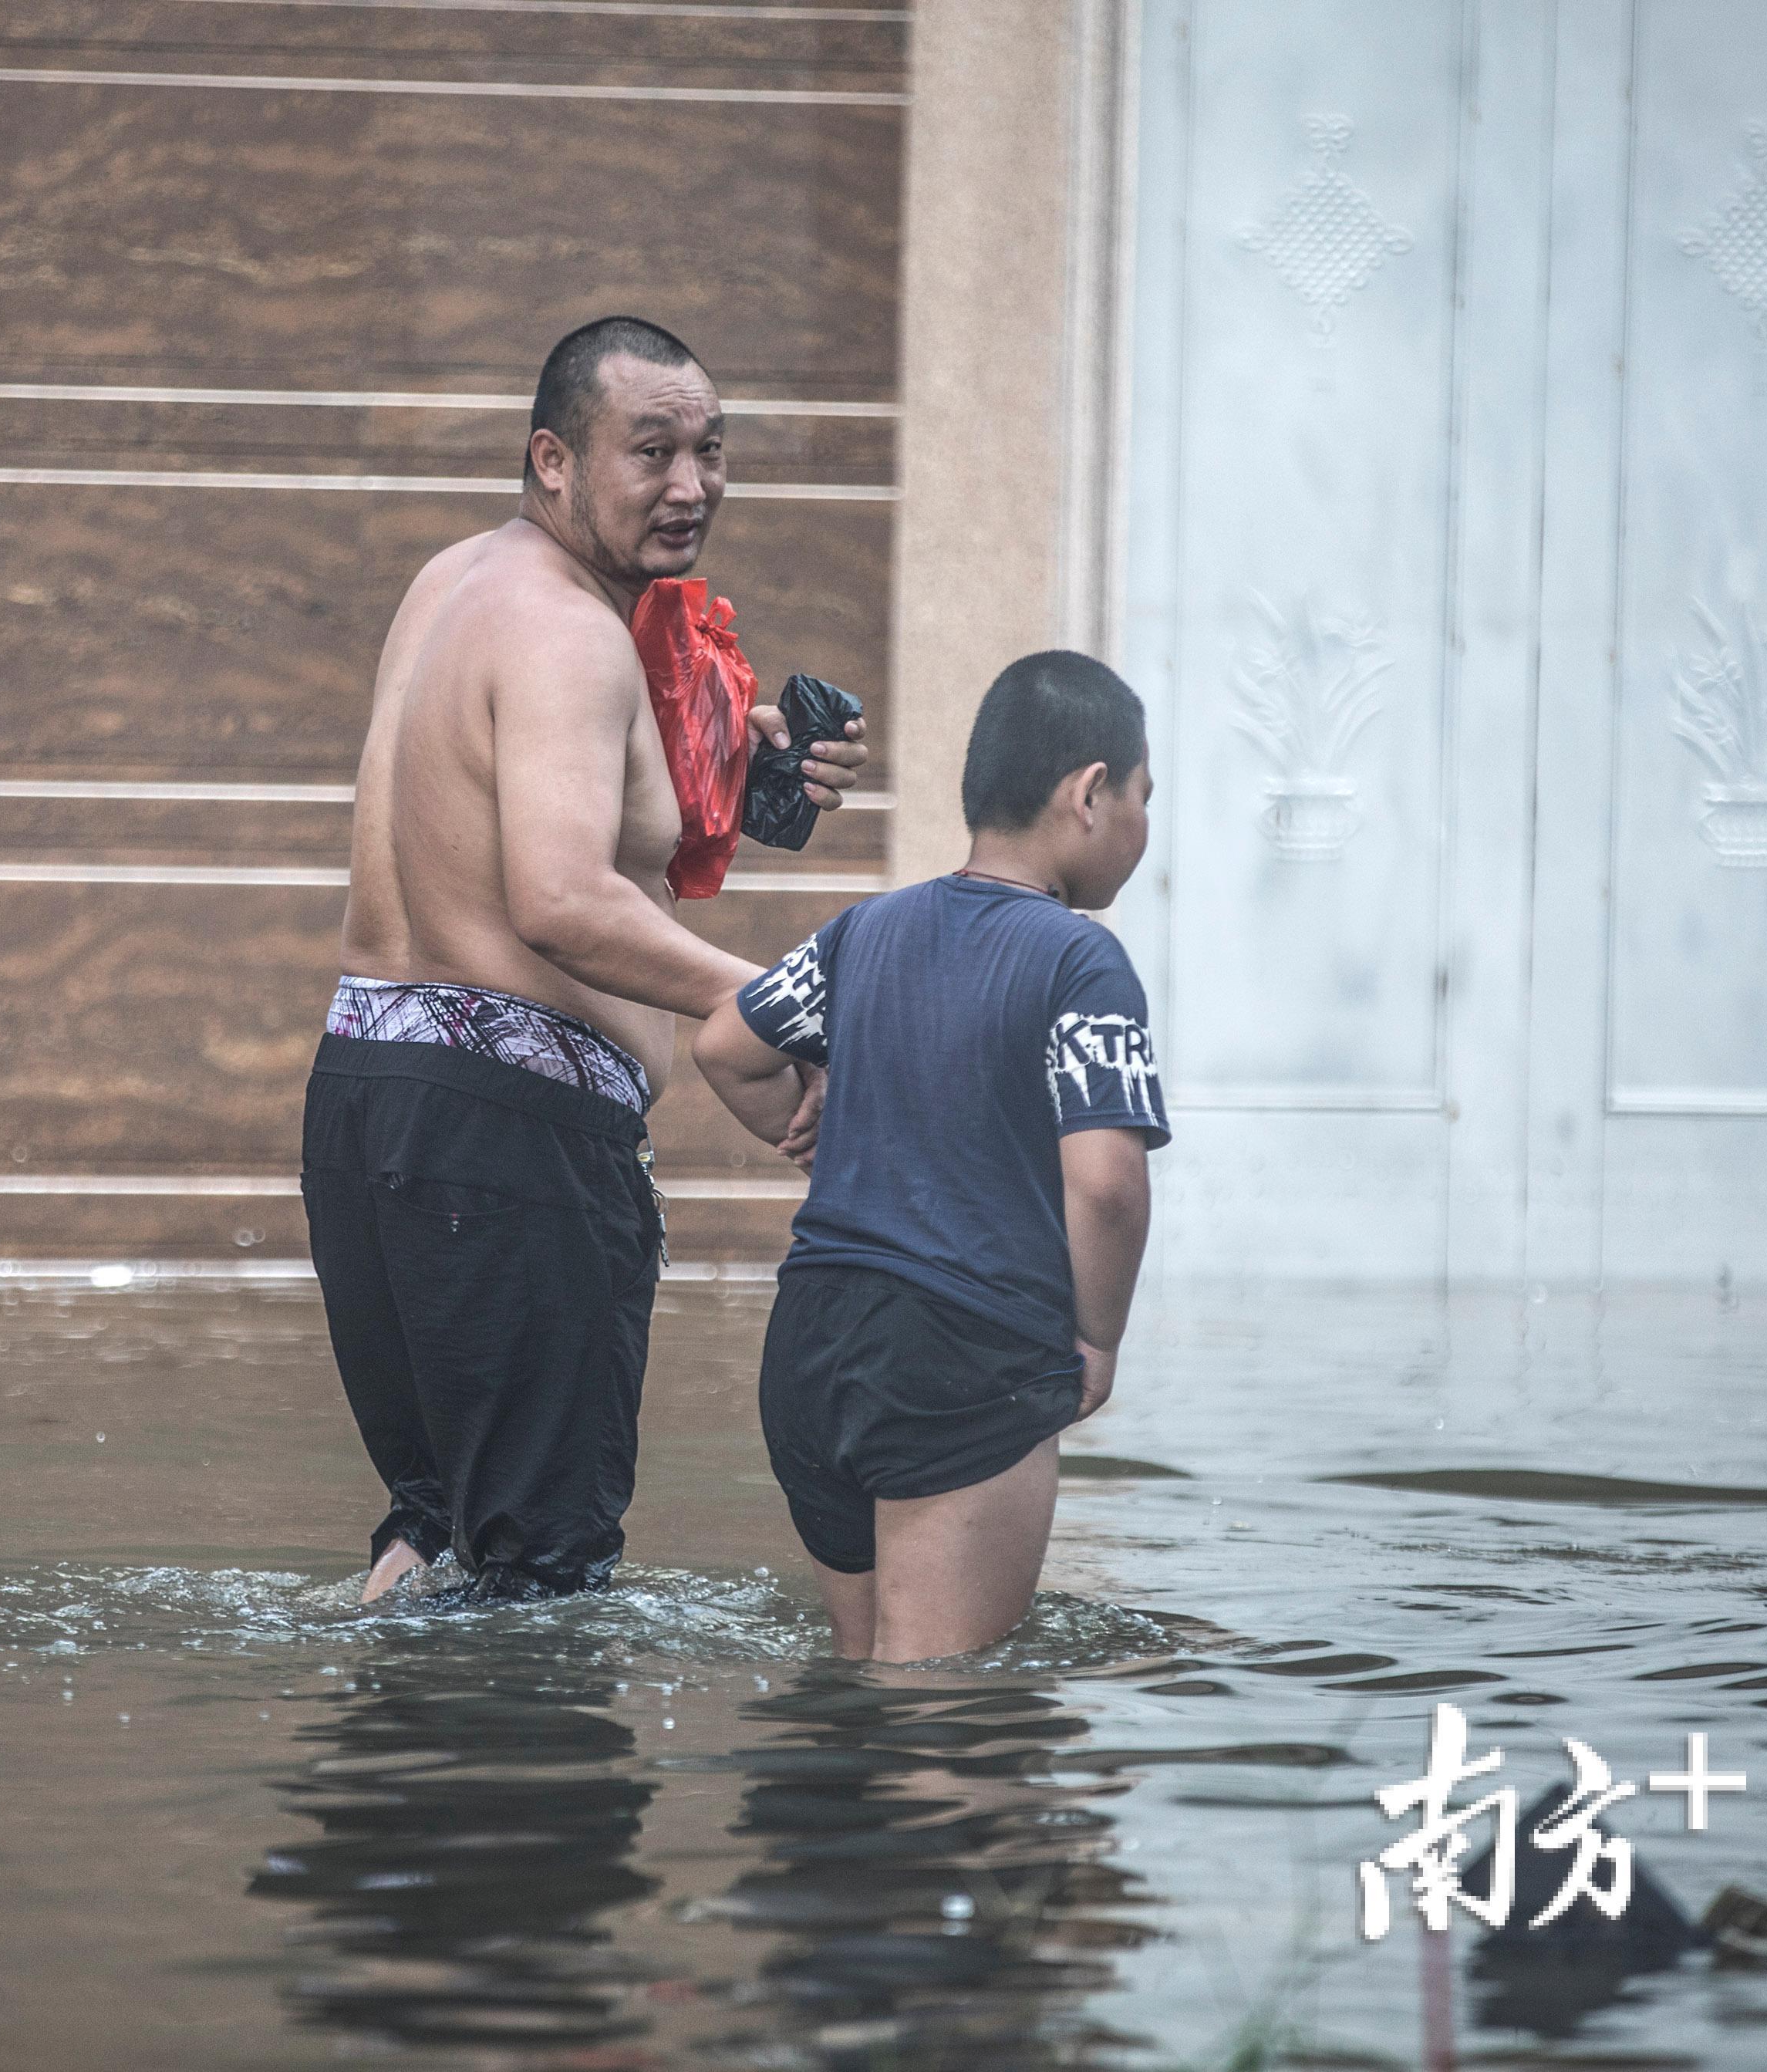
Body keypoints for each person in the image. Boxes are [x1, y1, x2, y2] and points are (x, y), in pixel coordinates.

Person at [302, 315, 865, 1605]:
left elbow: (507, 808)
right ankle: (532, 1805)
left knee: (436, 1541)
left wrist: (738, 767)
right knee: (548, 1581)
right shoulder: (570, 634)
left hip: (369, 1111)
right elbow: (555, 896)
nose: (691, 486)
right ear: (552, 459)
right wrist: (771, 1004)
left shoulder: (455, 582)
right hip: (504, 1154)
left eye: (711, 451)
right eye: (650, 450)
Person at [693, 651, 1166, 1662]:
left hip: (810, 1341)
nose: (1143, 828)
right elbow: (1110, 1186)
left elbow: (725, 1046)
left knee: (860, 1688)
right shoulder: (1082, 959)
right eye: (1142, 798)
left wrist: (819, 1140)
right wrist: (1097, 1339)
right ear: (1089, 793)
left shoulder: (866, 932)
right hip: (963, 1352)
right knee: (940, 1724)